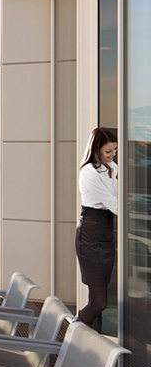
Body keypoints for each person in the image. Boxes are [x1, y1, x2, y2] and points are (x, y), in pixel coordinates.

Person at [75, 126, 118, 328]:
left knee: (97, 298)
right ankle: (74, 329)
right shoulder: (88, 172)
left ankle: (89, 336)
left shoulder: (111, 168)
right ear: (96, 149)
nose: (112, 154)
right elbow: (114, 204)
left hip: (106, 230)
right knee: (100, 302)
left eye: (115, 150)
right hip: (91, 233)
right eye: (108, 151)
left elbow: (116, 200)